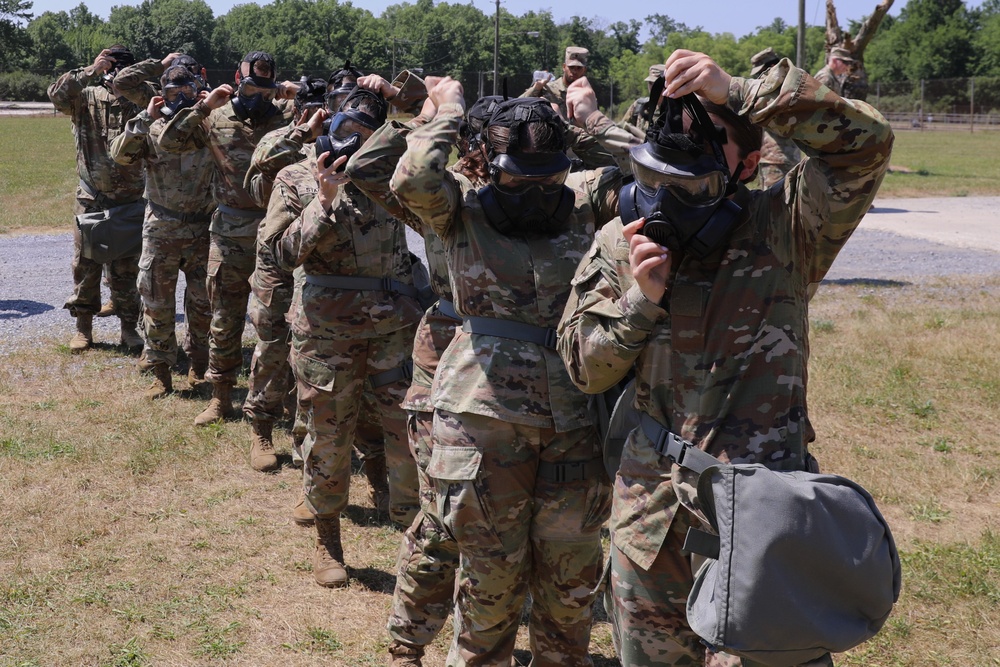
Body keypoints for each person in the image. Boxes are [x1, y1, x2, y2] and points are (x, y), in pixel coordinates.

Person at [557, 49, 893, 666]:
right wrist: (640, 301)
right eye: (653, 178)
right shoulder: (619, 242)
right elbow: (585, 368)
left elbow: (864, 145)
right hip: (652, 517)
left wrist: (737, 89)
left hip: (763, 510)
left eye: (687, 179)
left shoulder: (786, 226)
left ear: (743, 164)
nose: (663, 200)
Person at [388, 81, 622, 666]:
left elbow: (660, 180)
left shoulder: (586, 199)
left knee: (571, 595)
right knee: (489, 591)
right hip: (483, 420)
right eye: (519, 176)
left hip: (575, 417)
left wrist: (592, 123)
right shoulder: (459, 209)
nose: (538, 190)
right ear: (491, 165)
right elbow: (412, 176)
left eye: (549, 176)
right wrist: (446, 112)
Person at [260, 86, 422, 588]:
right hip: (326, 334)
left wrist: (400, 98)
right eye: (348, 129)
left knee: (408, 436)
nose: (354, 143)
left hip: (392, 328)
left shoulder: (392, 176)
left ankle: (414, 531)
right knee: (328, 439)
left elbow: (435, 138)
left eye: (366, 135)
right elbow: (280, 255)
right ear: (330, 121)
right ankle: (327, 537)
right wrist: (323, 202)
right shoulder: (294, 176)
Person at [156, 51, 298, 427]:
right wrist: (203, 108)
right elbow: (169, 143)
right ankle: (221, 398)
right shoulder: (216, 116)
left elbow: (331, 116)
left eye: (264, 87)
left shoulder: (287, 116)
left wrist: (293, 93)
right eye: (250, 84)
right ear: (237, 78)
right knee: (224, 318)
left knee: (280, 321)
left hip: (278, 233)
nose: (256, 94)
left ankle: (281, 400)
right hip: (230, 232)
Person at [110, 60, 216, 398]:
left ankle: (199, 366)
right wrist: (143, 120)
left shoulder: (211, 120)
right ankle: (161, 373)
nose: (180, 97)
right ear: (162, 92)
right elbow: (120, 157)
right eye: (173, 91)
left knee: (203, 304)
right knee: (157, 302)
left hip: (203, 227)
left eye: (187, 89)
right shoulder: (152, 125)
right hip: (161, 227)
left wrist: (210, 107)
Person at [47, 45, 148, 353]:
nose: (116, 71)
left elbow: (158, 100)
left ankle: (129, 328)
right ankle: (83, 328)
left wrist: (132, 81)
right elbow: (57, 95)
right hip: (91, 196)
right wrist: (92, 69)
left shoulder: (141, 101)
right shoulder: (87, 97)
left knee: (126, 268)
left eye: (124, 66)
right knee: (85, 265)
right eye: (113, 66)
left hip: (128, 198)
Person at [749, 47, 802, 189]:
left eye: (762, 72)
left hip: (778, 159)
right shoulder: (787, 86)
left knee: (777, 206)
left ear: (773, 67)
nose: (760, 77)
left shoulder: (780, 90)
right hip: (778, 157)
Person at [521, 45, 589, 120]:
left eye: (579, 68)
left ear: (584, 70)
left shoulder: (587, 95)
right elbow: (518, 104)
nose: (574, 71)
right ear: (564, 67)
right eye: (571, 67)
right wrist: (536, 88)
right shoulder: (548, 89)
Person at [620, 63, 665, 132]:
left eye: (656, 83)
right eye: (650, 83)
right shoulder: (640, 106)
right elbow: (622, 130)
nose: (652, 87)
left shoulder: (677, 111)